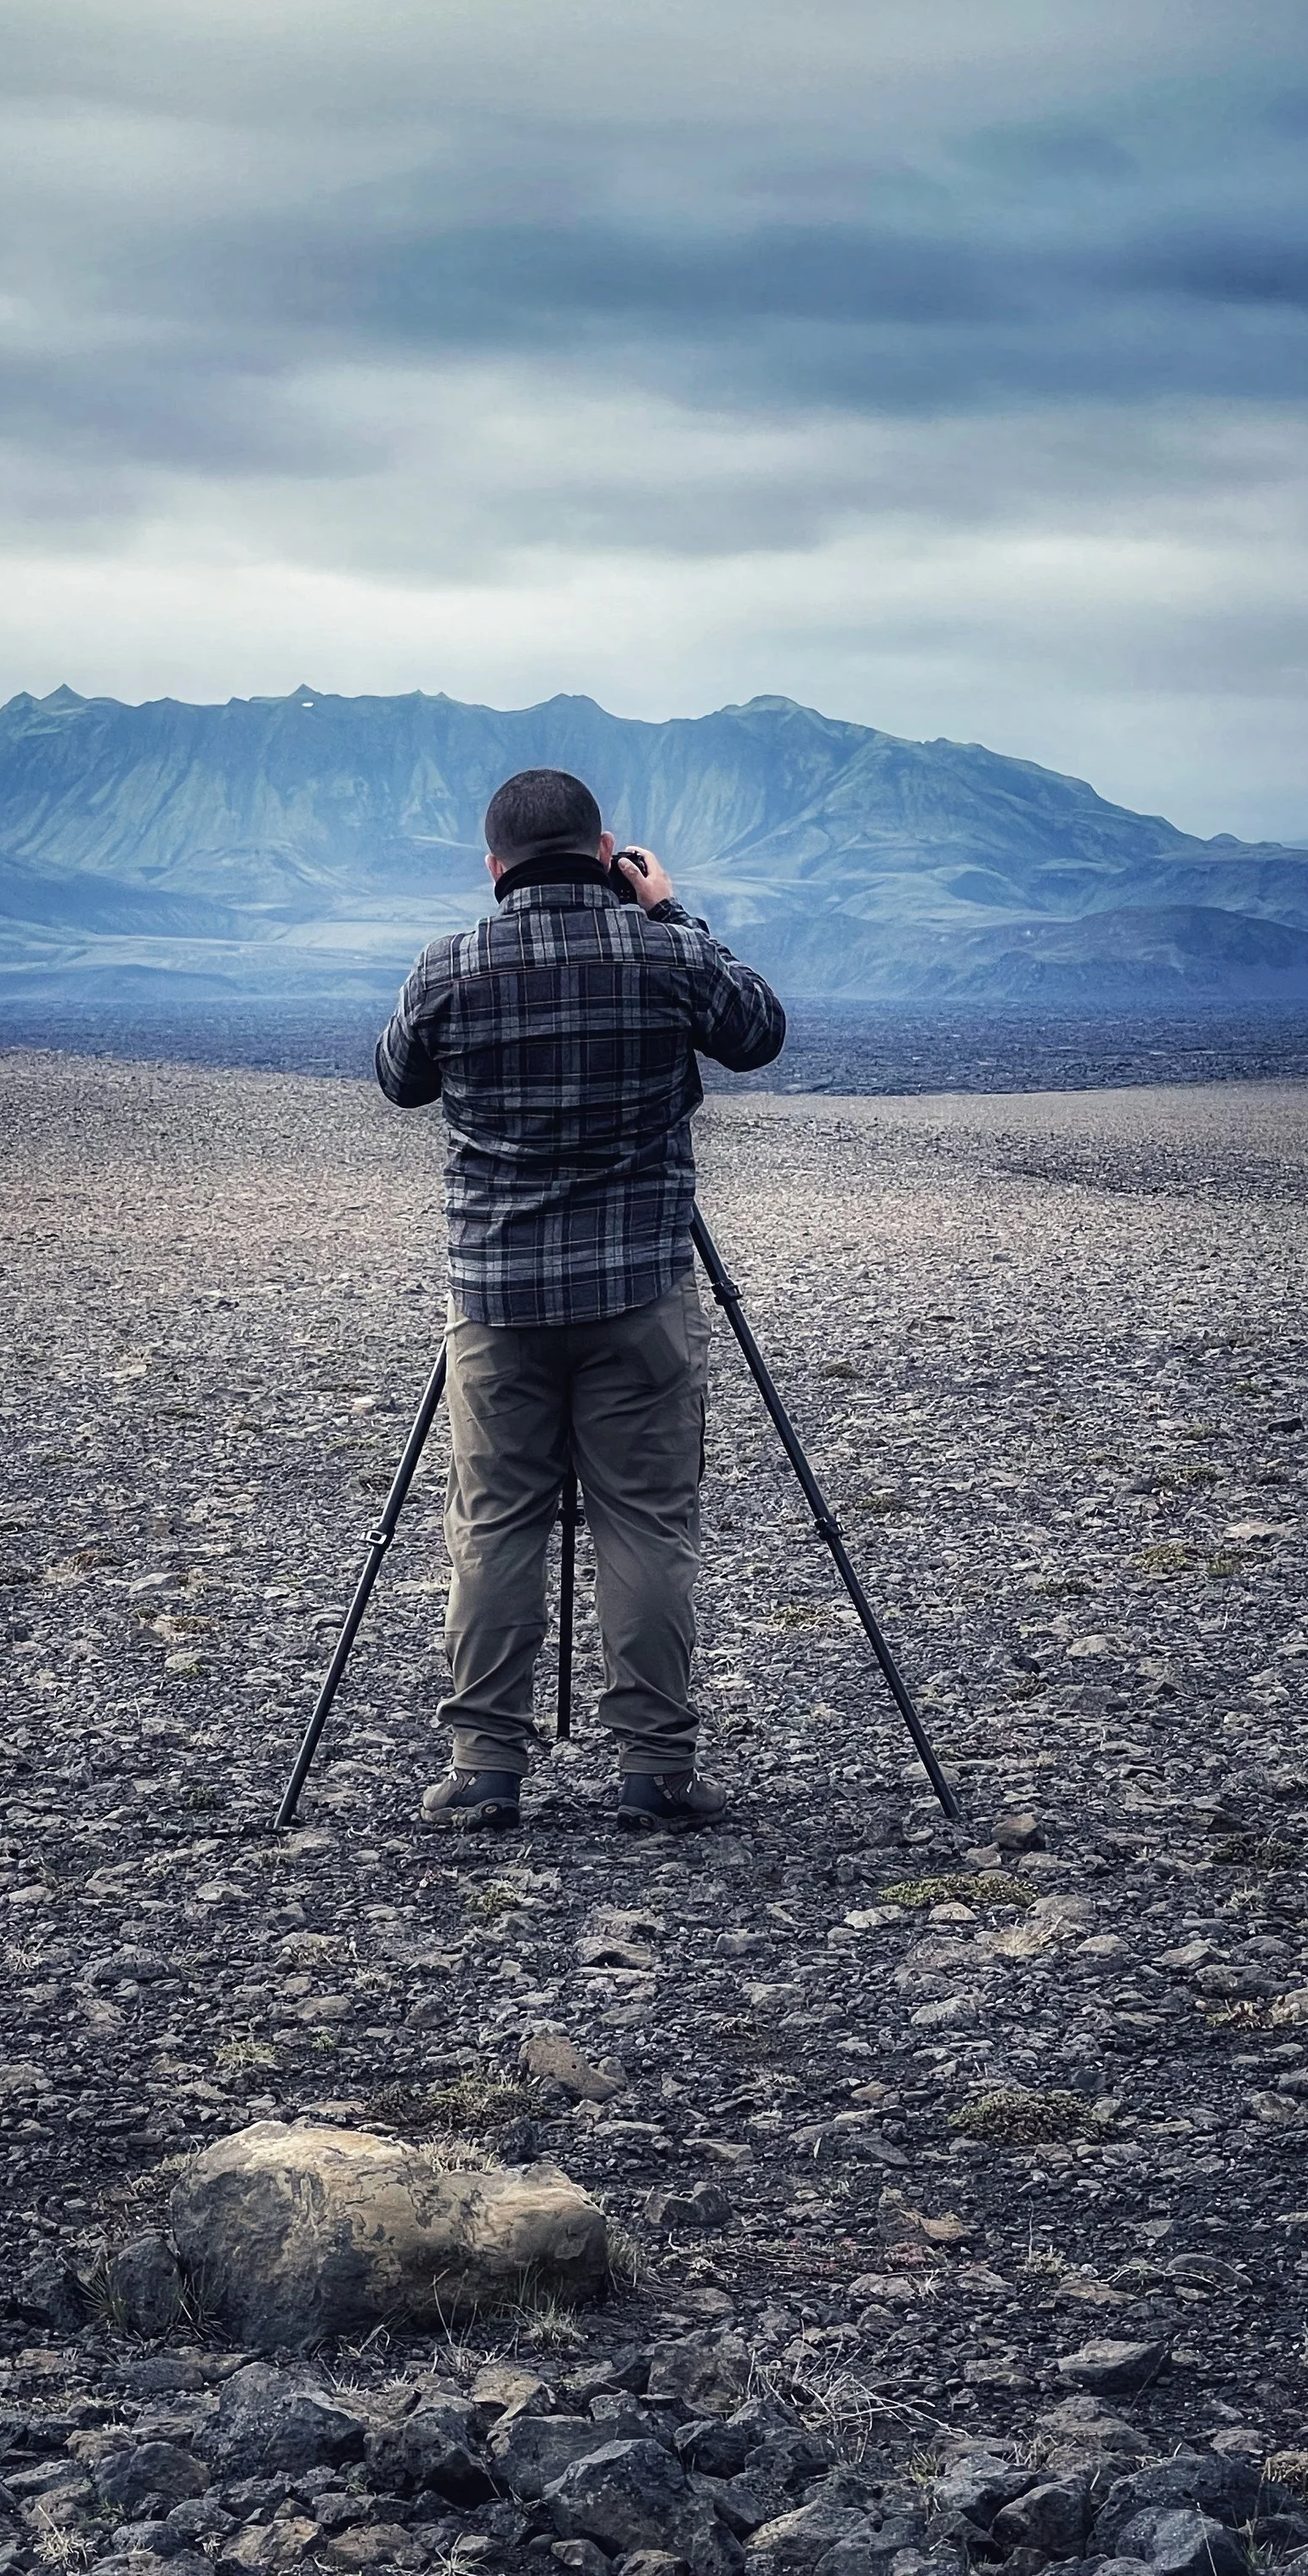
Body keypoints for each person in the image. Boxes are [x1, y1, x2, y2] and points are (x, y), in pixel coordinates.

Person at [375, 766, 786, 1829]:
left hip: (497, 1297)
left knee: (494, 1522)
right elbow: (756, 1032)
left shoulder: (446, 966)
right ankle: (654, 1769)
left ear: (494, 867)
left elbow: (398, 1079)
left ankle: (482, 1769)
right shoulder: (664, 952)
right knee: (644, 1523)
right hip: (640, 1288)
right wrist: (670, 911)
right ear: (607, 854)